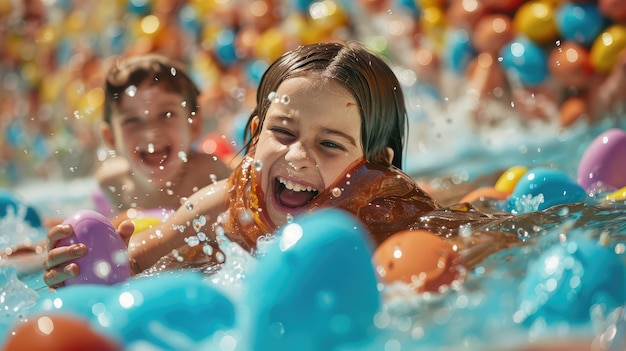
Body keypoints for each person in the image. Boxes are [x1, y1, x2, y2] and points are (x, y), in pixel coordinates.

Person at [43, 41, 512, 288]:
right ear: (256, 131)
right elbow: (129, 264)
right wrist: (80, 265)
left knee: (477, 197)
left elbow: (502, 241)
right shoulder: (229, 202)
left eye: (329, 144)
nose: (296, 156)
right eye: (282, 132)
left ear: (375, 165)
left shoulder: (391, 213)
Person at [95, 53, 231, 214]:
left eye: (166, 114)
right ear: (111, 138)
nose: (151, 134)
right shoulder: (112, 183)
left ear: (193, 126)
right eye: (132, 120)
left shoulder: (212, 176)